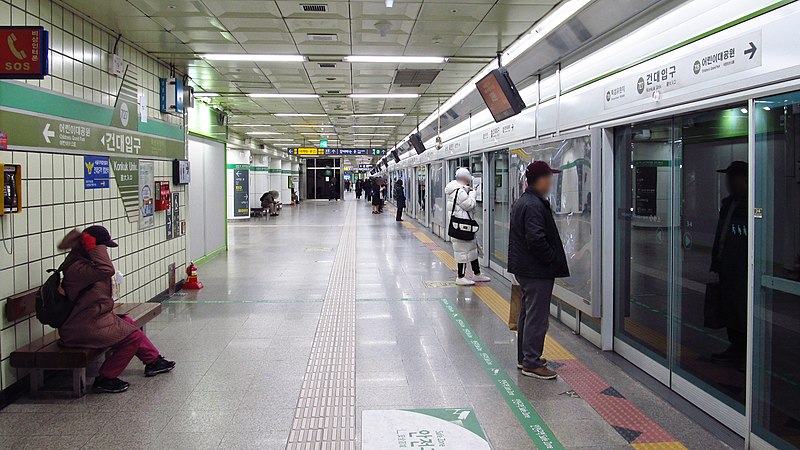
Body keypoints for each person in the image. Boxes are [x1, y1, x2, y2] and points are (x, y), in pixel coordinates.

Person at [57, 226, 176, 393]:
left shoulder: (83, 262)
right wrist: (94, 247)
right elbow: (106, 270)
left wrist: (93, 248)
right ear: (91, 246)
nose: (104, 249)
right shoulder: (78, 268)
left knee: (127, 321)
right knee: (132, 337)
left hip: (90, 319)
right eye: (102, 246)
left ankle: (153, 361)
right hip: (81, 328)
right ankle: (106, 378)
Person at [508, 161, 569, 380]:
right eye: (549, 178)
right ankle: (532, 363)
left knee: (527, 312)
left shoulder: (525, 201)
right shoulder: (533, 204)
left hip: (526, 268)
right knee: (537, 316)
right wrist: (552, 260)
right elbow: (536, 239)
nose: (551, 182)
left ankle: (525, 357)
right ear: (540, 179)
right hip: (535, 270)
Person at [710, 161, 748, 363]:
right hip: (725, 265)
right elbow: (721, 234)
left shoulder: (749, 204)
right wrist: (716, 260)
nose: (728, 182)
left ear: (744, 179)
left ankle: (745, 352)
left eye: (732, 177)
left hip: (741, 268)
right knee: (729, 308)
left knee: (740, 309)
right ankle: (735, 347)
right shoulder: (727, 204)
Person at [445, 168, 491, 286]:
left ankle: (477, 274)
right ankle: (460, 277)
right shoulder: (459, 191)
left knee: (471, 250)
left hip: (462, 225)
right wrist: (473, 193)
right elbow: (469, 205)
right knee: (463, 252)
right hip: (461, 227)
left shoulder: (456, 189)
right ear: (465, 178)